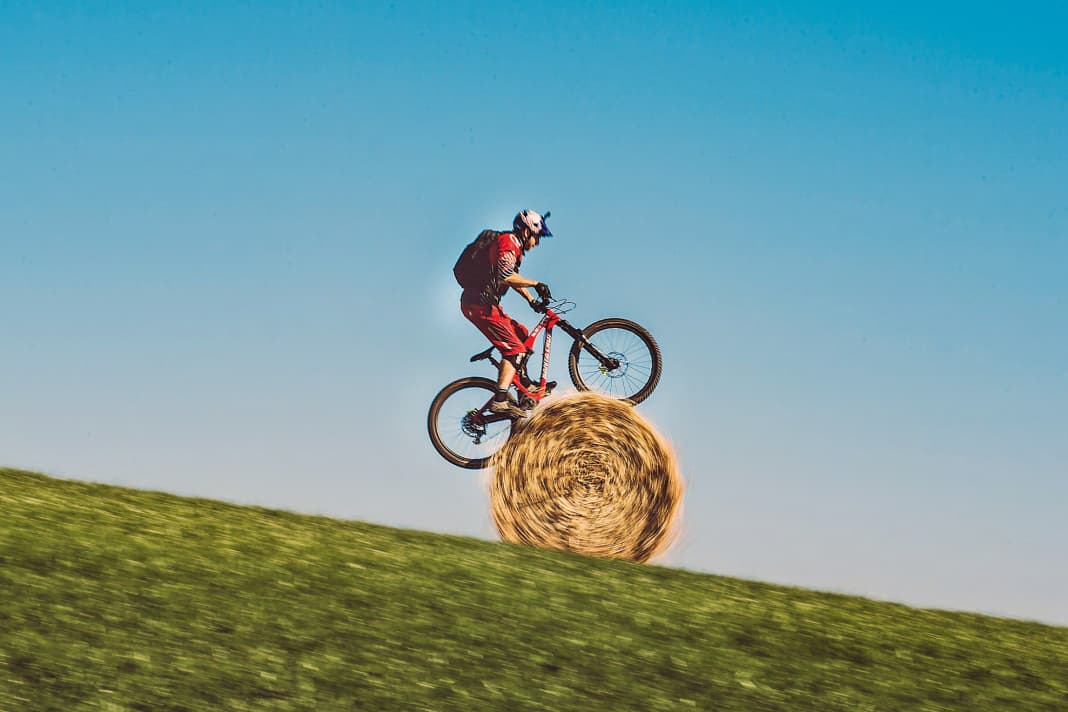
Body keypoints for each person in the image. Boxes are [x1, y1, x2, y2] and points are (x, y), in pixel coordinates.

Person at [460, 210, 554, 418]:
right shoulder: (508, 242)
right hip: (479, 306)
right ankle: (500, 400)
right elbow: (506, 275)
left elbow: (510, 278)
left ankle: (524, 390)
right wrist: (536, 284)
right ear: (526, 231)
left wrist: (531, 300)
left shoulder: (514, 246)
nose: (537, 243)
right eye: (537, 236)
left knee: (522, 334)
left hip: (486, 305)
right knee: (515, 351)